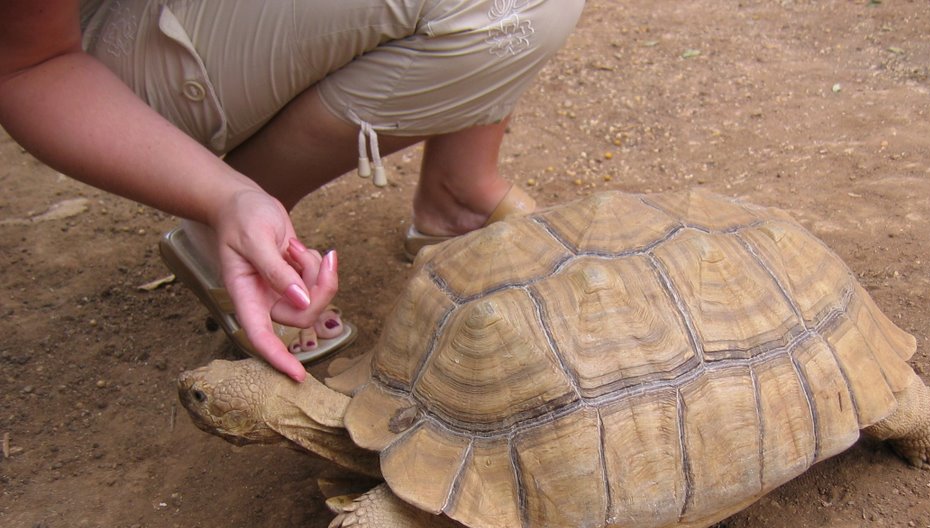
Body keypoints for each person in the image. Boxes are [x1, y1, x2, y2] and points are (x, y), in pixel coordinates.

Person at [0, 0, 585, 381]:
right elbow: (28, 65)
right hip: (92, 45)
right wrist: (227, 195)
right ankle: (231, 220)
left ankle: (459, 188)